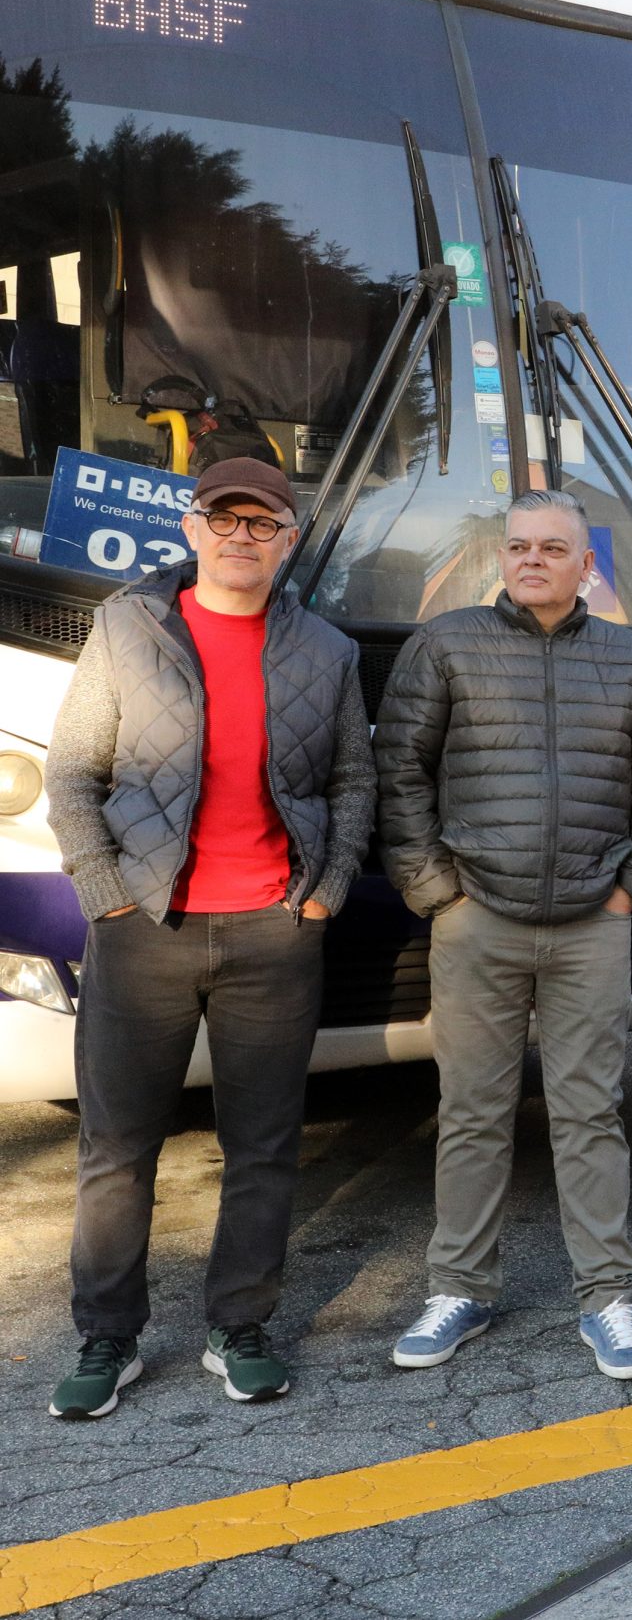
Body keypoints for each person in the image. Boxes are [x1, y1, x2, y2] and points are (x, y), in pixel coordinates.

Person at [42, 458, 374, 1418]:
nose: (241, 537)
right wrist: (104, 892)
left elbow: (354, 783)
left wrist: (327, 891)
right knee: (117, 1145)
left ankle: (241, 1325)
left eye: (261, 523)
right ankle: (108, 1338)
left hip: (274, 933)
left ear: (288, 540)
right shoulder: (128, 626)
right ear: (191, 530)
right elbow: (72, 772)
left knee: (264, 1145)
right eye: (222, 519)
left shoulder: (327, 649)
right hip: (145, 927)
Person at [375, 490, 632, 1381]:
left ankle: (608, 1298)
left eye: (554, 548)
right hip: (478, 919)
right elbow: (398, 772)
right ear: (500, 557)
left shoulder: (631, 660)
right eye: (518, 546)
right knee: (471, 1113)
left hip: (594, 921)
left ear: (586, 564)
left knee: (591, 1111)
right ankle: (460, 1288)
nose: (533, 560)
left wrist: (631, 889)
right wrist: (438, 892)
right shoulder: (447, 646)